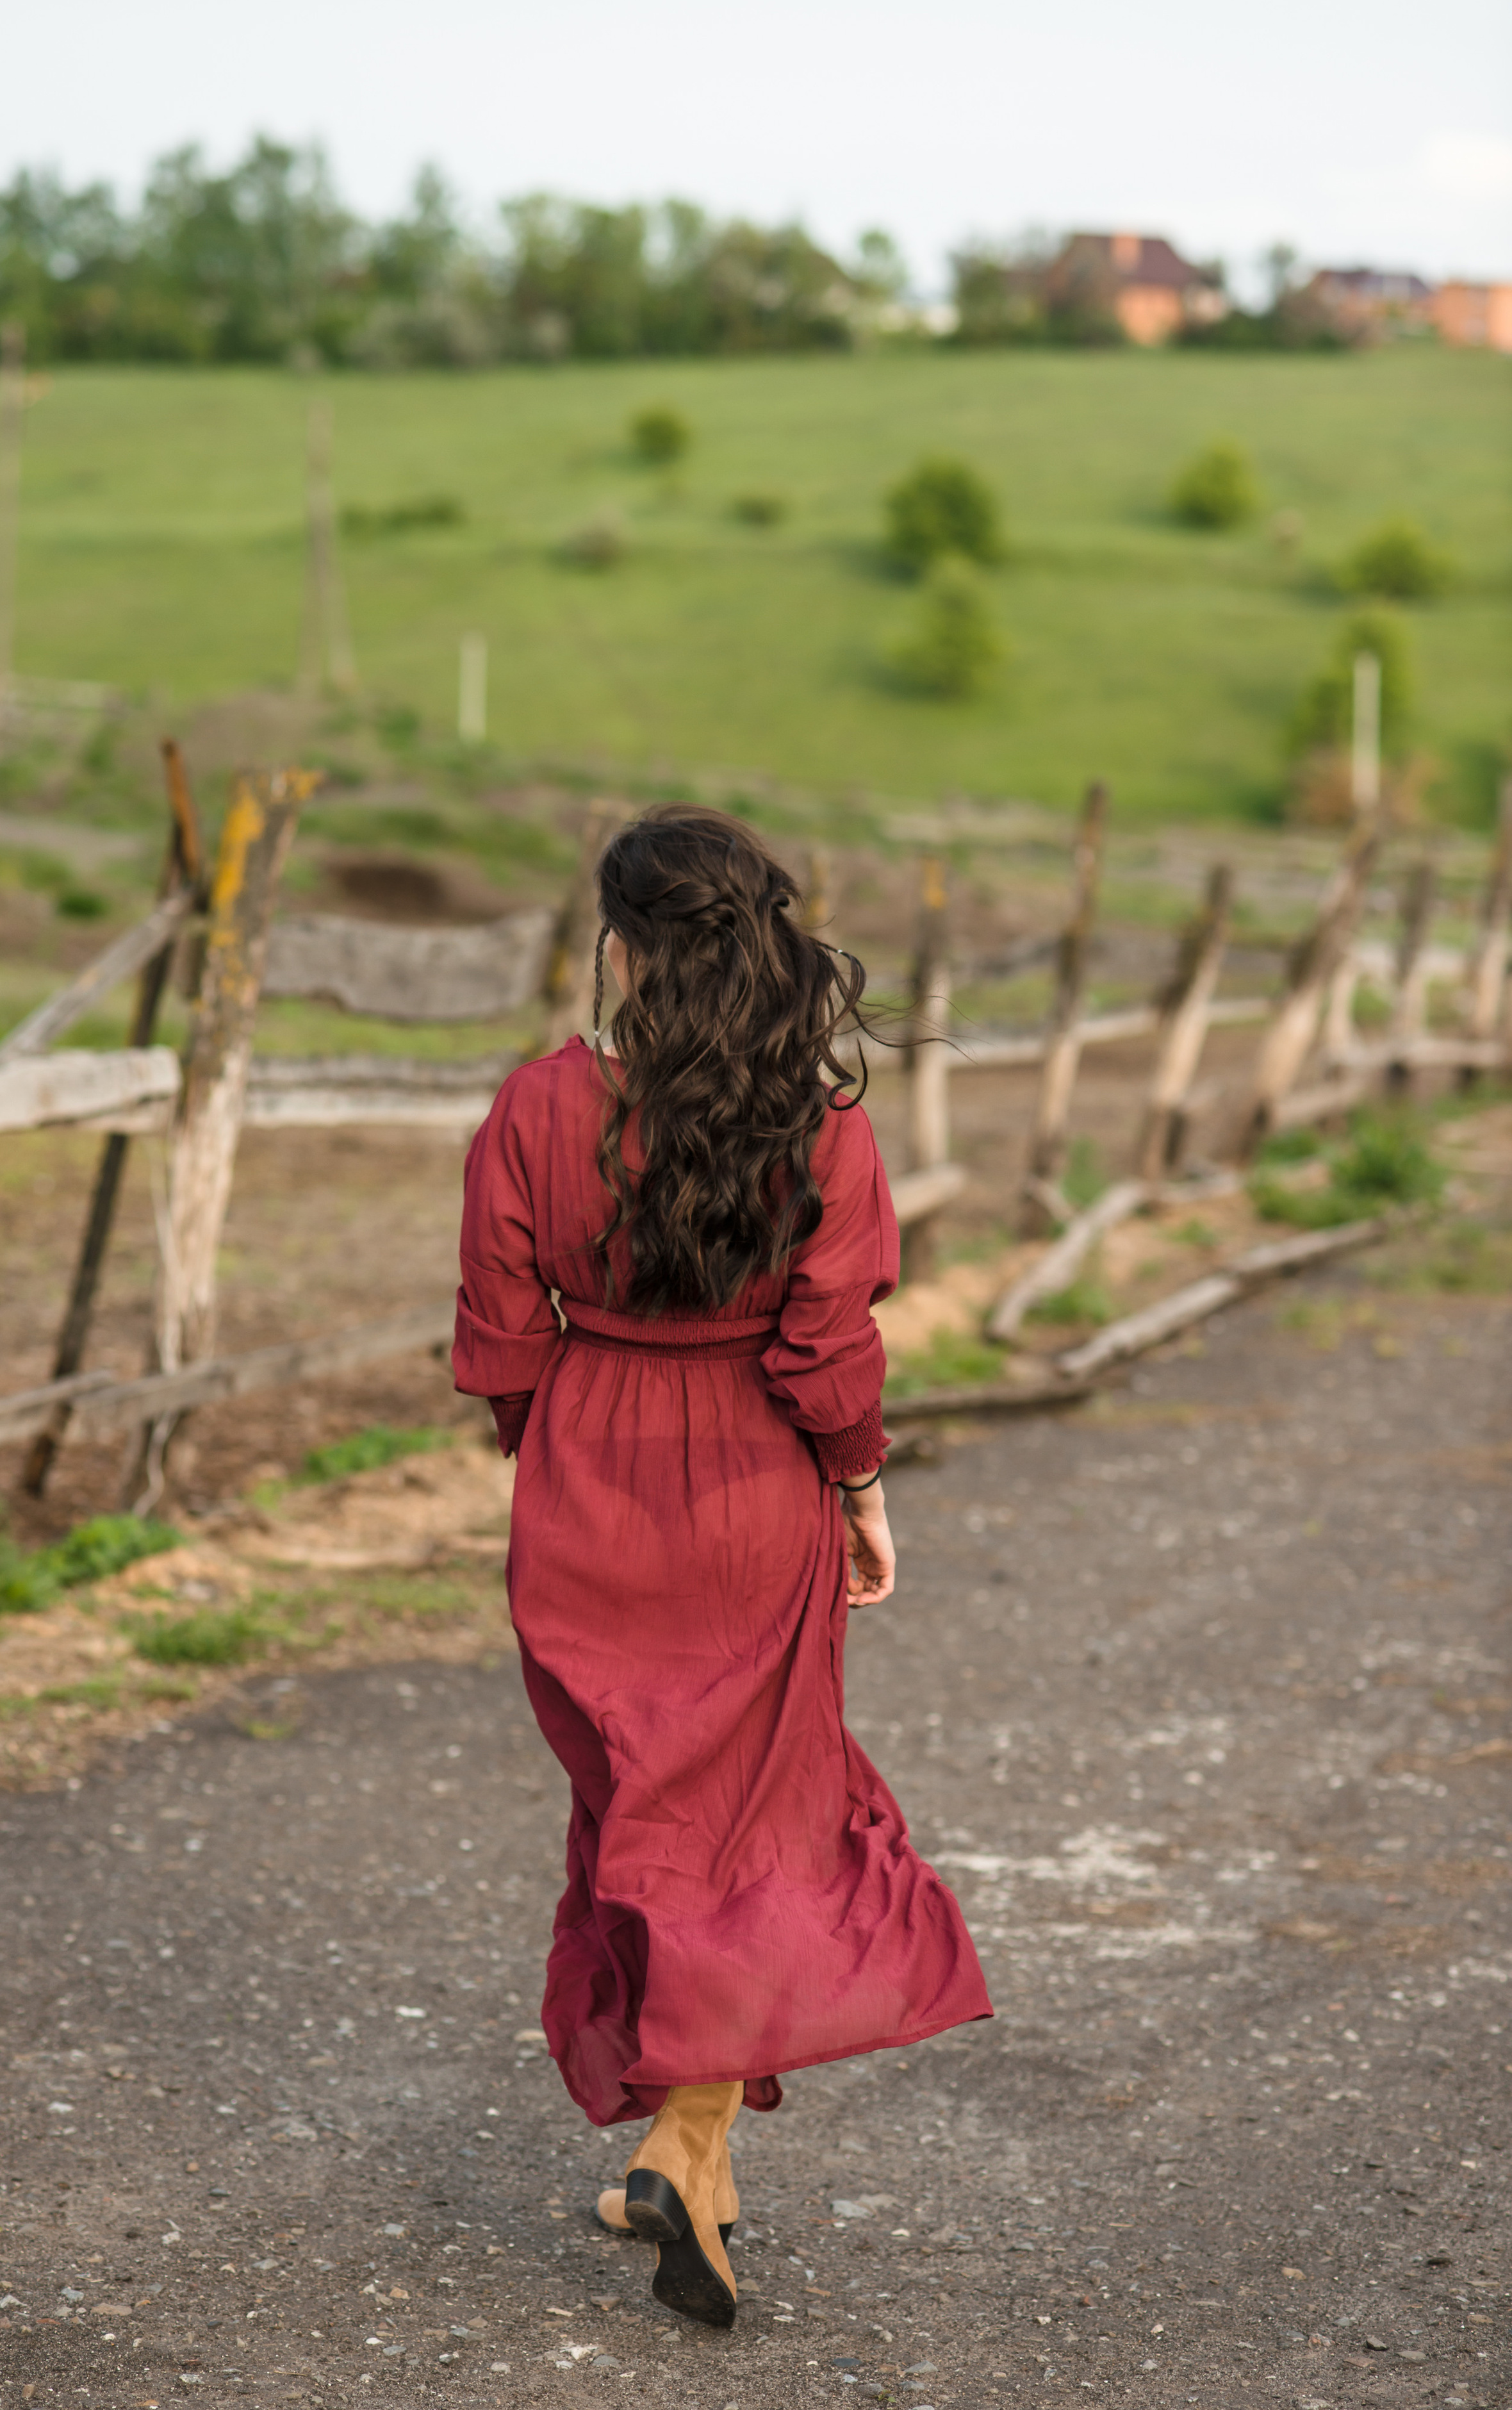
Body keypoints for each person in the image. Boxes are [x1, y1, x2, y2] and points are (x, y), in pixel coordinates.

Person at [452, 805, 990, 2330]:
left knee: (639, 1801)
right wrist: (861, 1488)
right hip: (755, 1479)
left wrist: (555, 1448)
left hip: (581, 1479)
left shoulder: (537, 1105)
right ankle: (687, 2150)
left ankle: (678, 2153)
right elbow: (829, 1347)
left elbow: (500, 1340)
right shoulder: (818, 1126)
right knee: (738, 1816)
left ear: (620, 945)